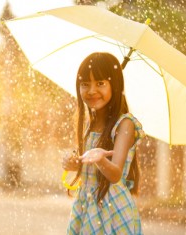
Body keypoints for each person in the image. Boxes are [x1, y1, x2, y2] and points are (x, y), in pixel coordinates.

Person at [62, 52, 145, 235]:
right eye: (85, 84)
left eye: (100, 83)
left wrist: (100, 160)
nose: (91, 90)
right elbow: (86, 164)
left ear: (114, 86)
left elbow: (115, 174)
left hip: (112, 207)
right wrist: (73, 163)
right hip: (88, 203)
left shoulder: (125, 124)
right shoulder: (90, 124)